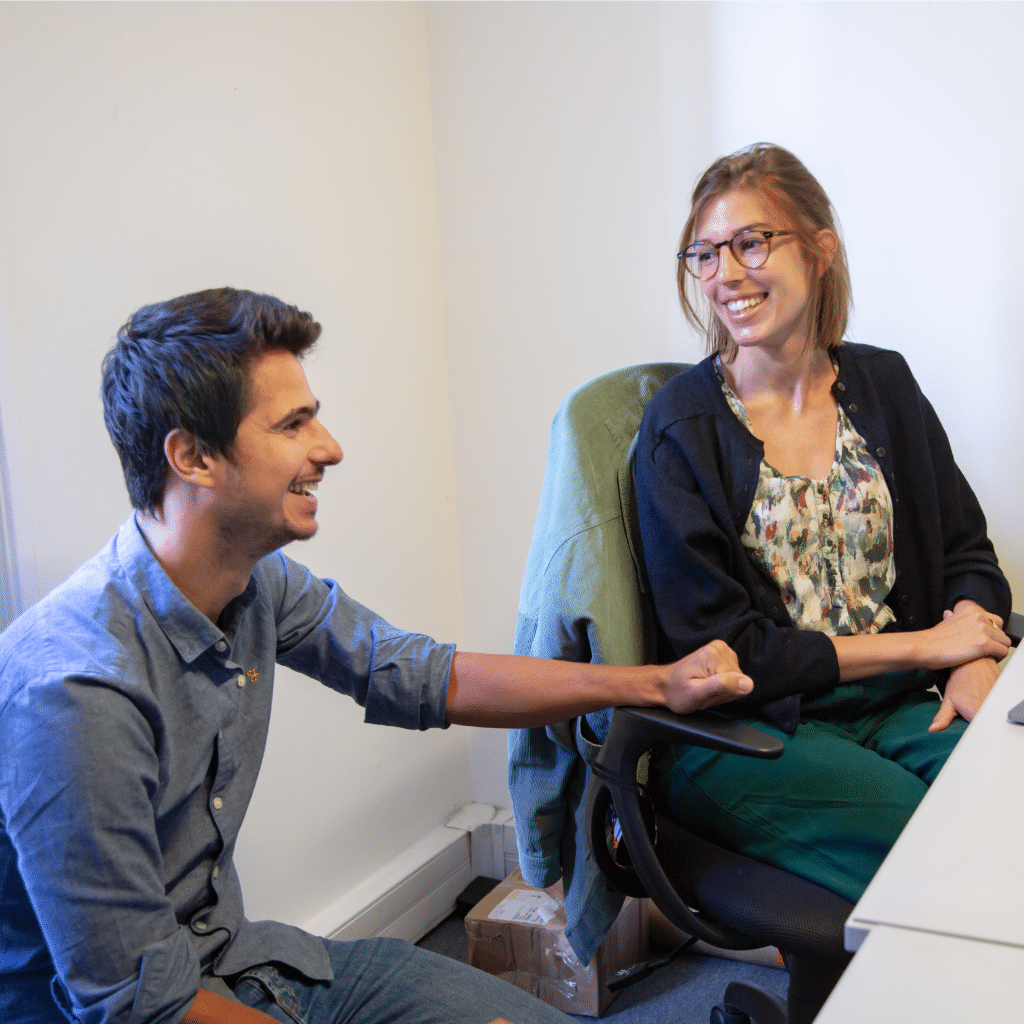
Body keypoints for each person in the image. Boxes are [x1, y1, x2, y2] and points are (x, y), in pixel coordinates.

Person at [0, 287, 754, 1024]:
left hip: (241, 966)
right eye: (293, 425)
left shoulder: (255, 587)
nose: (328, 449)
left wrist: (652, 683)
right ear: (193, 456)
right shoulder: (75, 694)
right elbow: (139, 1004)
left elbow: (424, 675)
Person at [634, 143, 1013, 906]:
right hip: (754, 729)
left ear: (819, 248)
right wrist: (928, 644)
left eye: (751, 241)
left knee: (1010, 812)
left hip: (904, 701)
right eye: (705, 254)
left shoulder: (886, 384)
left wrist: (971, 653)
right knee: (949, 857)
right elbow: (728, 654)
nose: (726, 275)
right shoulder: (682, 431)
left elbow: (968, 550)